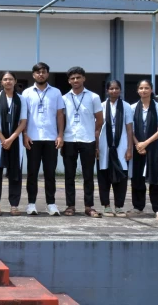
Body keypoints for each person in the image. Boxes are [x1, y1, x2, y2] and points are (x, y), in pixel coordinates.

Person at [23, 62, 65, 216]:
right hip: (32, 138)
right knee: (32, 173)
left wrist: (60, 135)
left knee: (50, 173)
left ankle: (51, 204)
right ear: (33, 74)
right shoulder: (27, 93)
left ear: (48, 74)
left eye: (43, 72)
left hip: (51, 138)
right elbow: (24, 116)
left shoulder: (56, 92)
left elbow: (60, 115)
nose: (41, 74)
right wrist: (24, 134)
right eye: (38, 72)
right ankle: (31, 204)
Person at [62, 66, 103, 217]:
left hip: (88, 140)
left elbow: (100, 120)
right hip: (69, 139)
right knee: (69, 175)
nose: (75, 80)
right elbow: (61, 119)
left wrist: (93, 133)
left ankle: (88, 206)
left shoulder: (93, 97)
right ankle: (70, 205)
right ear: (69, 81)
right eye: (72, 78)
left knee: (88, 175)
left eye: (78, 77)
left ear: (84, 78)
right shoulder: (64, 98)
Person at [127, 79, 158, 220]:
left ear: (151, 90)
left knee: (157, 177)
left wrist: (146, 143)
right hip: (137, 146)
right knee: (137, 177)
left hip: (154, 147)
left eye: (146, 88)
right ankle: (138, 207)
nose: (143, 90)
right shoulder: (132, 108)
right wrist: (138, 144)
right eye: (141, 88)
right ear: (137, 90)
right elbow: (130, 129)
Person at [0, 72, 28, 216]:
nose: (8, 81)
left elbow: (23, 122)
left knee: (15, 172)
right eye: (5, 79)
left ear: (15, 81)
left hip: (15, 140)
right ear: (1, 82)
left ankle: (14, 205)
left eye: (10, 79)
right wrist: (2, 139)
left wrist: (11, 139)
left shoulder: (21, 99)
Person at [97, 80, 133, 218]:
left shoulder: (126, 106)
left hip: (121, 145)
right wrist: (96, 147)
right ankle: (106, 206)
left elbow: (129, 129)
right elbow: (97, 128)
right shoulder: (101, 106)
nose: (114, 91)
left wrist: (129, 148)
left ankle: (119, 206)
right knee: (104, 175)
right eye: (111, 88)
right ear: (107, 91)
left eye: (117, 88)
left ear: (120, 90)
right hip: (104, 145)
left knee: (121, 175)